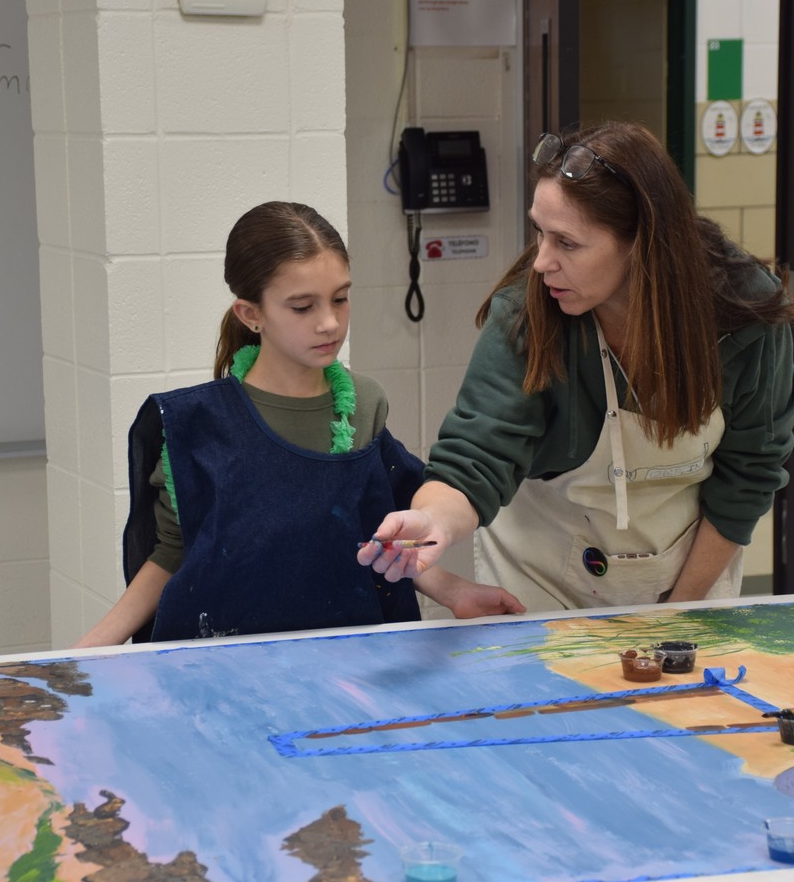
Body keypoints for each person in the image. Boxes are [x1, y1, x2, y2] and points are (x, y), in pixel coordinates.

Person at [359, 121, 794, 611]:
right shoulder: (528, 315)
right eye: (539, 233)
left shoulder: (744, 313)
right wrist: (434, 521)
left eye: (567, 243)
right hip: (543, 579)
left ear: (643, 244)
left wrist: (680, 610)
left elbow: (751, 472)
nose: (542, 262)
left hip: (688, 574)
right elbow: (477, 454)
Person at [75, 201, 523, 647]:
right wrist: (84, 654)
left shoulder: (362, 405)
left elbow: (375, 533)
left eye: (341, 298)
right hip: (224, 675)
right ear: (251, 315)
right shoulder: (193, 426)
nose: (329, 323)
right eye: (303, 307)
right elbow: (171, 554)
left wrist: (453, 589)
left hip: (352, 667)